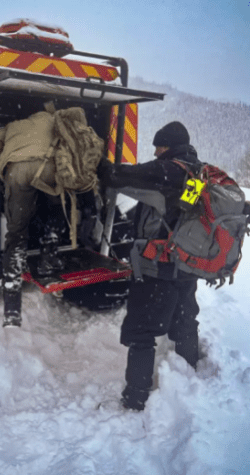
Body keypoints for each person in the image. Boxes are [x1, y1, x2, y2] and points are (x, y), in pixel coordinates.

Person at [97, 121, 202, 411]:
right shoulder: (198, 171)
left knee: (142, 332)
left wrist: (99, 162)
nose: (155, 152)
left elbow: (118, 176)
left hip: (158, 266)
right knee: (184, 319)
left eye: (159, 146)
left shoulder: (165, 170)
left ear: (167, 146)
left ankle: (135, 397)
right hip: (187, 263)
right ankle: (190, 378)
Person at [0, 108, 68, 327]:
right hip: (50, 166)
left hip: (18, 170)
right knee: (54, 212)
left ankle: (12, 309)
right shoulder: (56, 122)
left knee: (16, 232)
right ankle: (49, 258)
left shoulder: (14, 126)